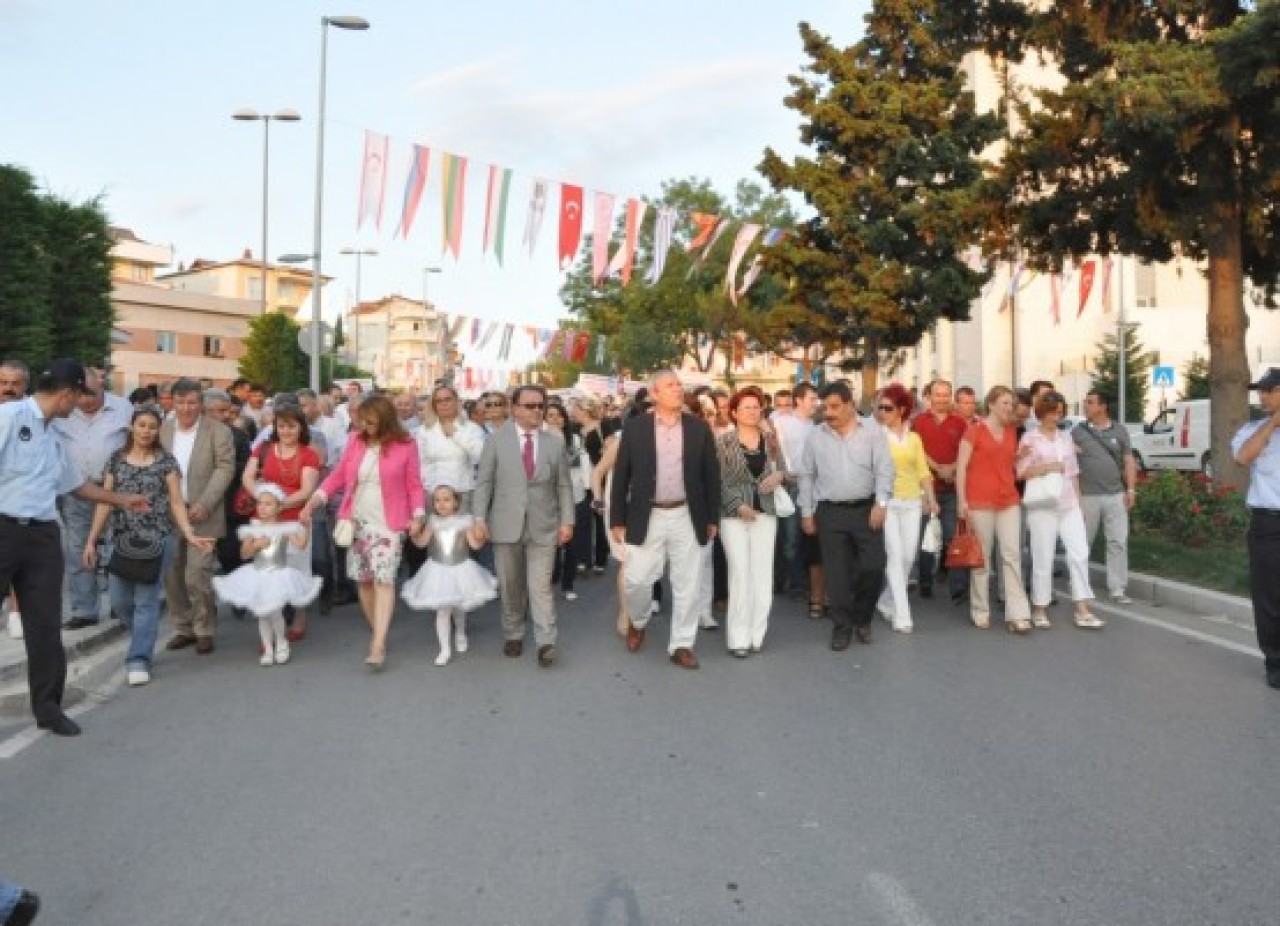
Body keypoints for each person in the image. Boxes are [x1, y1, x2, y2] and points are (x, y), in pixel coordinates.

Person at [0, 360, 149, 735]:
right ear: (67, 395)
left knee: (45, 627)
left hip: (43, 535)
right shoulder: (10, 416)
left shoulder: (53, 435)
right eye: (79, 396)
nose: (80, 404)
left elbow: (76, 485)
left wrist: (121, 499)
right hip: (3, 529)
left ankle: (49, 709)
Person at [83, 406, 213, 686]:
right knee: (119, 601)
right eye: (141, 425)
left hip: (157, 540)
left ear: (158, 431)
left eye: (152, 426)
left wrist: (188, 533)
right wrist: (92, 539)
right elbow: (105, 500)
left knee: (145, 599)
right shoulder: (116, 461)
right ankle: (143, 638)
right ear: (132, 427)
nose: (146, 431)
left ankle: (138, 658)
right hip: (120, 540)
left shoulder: (166, 462)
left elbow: (177, 501)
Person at [302, 395, 425, 669]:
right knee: (365, 581)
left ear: (383, 419)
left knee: (384, 580)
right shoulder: (355, 442)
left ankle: (378, 643)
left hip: (389, 524)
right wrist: (316, 498)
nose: (364, 425)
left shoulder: (406, 445)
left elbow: (415, 485)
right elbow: (337, 476)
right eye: (361, 421)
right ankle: (377, 627)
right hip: (357, 521)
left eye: (369, 421)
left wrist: (417, 516)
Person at [610, 370, 721, 669]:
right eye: (670, 385)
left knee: (688, 583)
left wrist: (712, 517)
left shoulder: (699, 428)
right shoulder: (635, 428)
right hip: (647, 515)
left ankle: (681, 644)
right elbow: (621, 476)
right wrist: (616, 518)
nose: (677, 388)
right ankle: (638, 620)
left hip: (687, 513)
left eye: (678, 384)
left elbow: (712, 476)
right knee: (636, 580)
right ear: (654, 394)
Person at [472, 385, 575, 668]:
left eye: (540, 406)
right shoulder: (496, 441)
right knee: (510, 585)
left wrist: (568, 520)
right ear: (514, 409)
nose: (537, 411)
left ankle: (546, 642)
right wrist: (479, 518)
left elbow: (564, 485)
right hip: (505, 524)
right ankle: (513, 632)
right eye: (529, 406)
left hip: (544, 525)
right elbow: (485, 483)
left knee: (540, 586)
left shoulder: (554, 442)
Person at [798, 381, 893, 650]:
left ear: (850, 406)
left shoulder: (873, 434)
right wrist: (807, 513)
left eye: (835, 407)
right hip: (830, 512)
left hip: (867, 510)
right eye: (825, 407)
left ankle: (862, 618)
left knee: (874, 566)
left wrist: (881, 503)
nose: (829, 412)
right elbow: (807, 476)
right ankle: (842, 626)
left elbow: (885, 470)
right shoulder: (816, 436)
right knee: (836, 574)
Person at [160, 378, 235, 655]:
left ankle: (204, 628)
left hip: (204, 512)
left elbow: (225, 468)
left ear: (200, 403)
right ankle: (183, 627)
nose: (186, 408)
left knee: (197, 574)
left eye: (192, 402)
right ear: (172, 403)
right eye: (181, 402)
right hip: (170, 514)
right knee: (173, 573)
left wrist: (206, 502)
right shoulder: (164, 431)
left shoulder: (218, 431)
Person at [53, 366, 132, 630]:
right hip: (75, 490)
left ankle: (121, 606)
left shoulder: (123, 408)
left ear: (102, 386)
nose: (85, 400)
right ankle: (84, 609)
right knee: (77, 549)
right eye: (80, 395)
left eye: (91, 394)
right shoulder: (62, 412)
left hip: (114, 489)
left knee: (118, 547)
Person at [1017, 390, 1101, 629]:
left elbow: (1073, 473)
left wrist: (1079, 503)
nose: (1057, 417)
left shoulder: (1066, 438)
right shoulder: (1029, 439)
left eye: (1060, 412)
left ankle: (1083, 608)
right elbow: (1021, 472)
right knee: (1043, 556)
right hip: (1043, 505)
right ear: (1042, 413)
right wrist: (1048, 467)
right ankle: (1039, 608)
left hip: (1068, 503)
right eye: (1054, 412)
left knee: (1080, 553)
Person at [213, 484, 321, 666]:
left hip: (278, 574)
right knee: (262, 614)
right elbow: (244, 554)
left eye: (268, 504)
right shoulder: (252, 530)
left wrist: (307, 527)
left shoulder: (285, 529)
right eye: (260, 503)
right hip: (258, 574)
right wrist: (256, 545)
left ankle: (281, 642)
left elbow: (301, 545)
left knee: (276, 611)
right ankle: (268, 649)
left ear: (279, 507)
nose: (262, 507)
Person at [715, 387, 787, 657]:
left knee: (762, 574)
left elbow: (783, 468)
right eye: (746, 407)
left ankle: (758, 633)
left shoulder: (770, 439)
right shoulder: (723, 442)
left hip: (766, 513)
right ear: (733, 412)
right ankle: (738, 637)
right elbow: (716, 479)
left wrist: (778, 476)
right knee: (740, 573)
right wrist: (738, 505)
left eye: (756, 407)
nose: (752, 411)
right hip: (734, 516)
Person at [955, 386, 1033, 632]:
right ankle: (980, 609)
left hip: (1008, 499)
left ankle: (1017, 613)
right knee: (982, 558)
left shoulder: (1012, 431)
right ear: (990, 405)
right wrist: (961, 501)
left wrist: (1019, 457)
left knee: (1011, 555)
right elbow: (961, 468)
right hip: (979, 500)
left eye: (1011, 403)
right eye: (1004, 403)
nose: (1009, 408)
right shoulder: (974, 431)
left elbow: (1005, 461)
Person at [241, 404, 321, 641]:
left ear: (301, 428)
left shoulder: (308, 454)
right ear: (275, 427)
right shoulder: (263, 449)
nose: (286, 431)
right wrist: (261, 499)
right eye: (282, 426)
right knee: (267, 569)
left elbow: (307, 490)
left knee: (297, 569)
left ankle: (299, 615)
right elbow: (247, 476)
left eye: (292, 426)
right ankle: (272, 628)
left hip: (294, 520)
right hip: (265, 520)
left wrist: (277, 504)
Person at [401, 484, 498, 666]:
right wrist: (414, 534)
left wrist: (481, 536)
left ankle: (460, 632)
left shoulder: (465, 522)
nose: (441, 504)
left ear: (456, 502)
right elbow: (422, 543)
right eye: (437, 500)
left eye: (446, 500)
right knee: (443, 610)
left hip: (461, 568)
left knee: (459, 607)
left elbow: (474, 546)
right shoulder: (432, 522)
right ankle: (444, 649)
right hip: (437, 570)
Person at [873, 384, 939, 633]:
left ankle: (886, 600)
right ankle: (902, 614)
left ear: (901, 410)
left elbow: (923, 472)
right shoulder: (877, 437)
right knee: (894, 555)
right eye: (880, 408)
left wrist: (931, 499)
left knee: (908, 557)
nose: (882, 412)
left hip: (913, 502)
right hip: (888, 502)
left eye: (888, 408)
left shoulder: (914, 439)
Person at [1231, 367, 1280, 690]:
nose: (1261, 395)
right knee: (1268, 597)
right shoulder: (1253, 430)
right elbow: (1243, 458)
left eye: (1268, 390)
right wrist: (1273, 423)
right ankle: (1275, 662)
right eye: (1260, 391)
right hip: (1269, 524)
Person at [1074, 388, 1137, 604]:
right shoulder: (1078, 432)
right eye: (1085, 402)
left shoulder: (1120, 431)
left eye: (1090, 402)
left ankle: (1117, 588)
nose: (1085, 406)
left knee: (1118, 541)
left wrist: (1131, 489)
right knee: (1083, 543)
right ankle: (1080, 586)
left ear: (1102, 407)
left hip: (1115, 495)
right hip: (1087, 497)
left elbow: (1129, 461)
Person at [912, 379, 971, 606]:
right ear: (930, 396)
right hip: (927, 490)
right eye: (938, 395)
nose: (942, 399)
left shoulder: (960, 422)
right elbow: (917, 451)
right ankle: (925, 582)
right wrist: (938, 468)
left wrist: (953, 468)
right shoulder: (918, 422)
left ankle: (958, 588)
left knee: (952, 537)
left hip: (953, 489)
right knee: (926, 538)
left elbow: (967, 451)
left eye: (946, 395)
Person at [415, 384, 485, 512]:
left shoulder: (471, 428)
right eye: (439, 401)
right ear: (434, 405)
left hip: (461, 493)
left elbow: (480, 456)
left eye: (448, 399)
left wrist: (456, 434)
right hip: (432, 494)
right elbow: (420, 463)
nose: (444, 404)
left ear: (457, 402)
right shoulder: (424, 431)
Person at [545, 401, 589, 601]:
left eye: (559, 415)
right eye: (551, 415)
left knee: (571, 543)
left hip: (574, 497)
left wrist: (589, 492)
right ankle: (551, 580)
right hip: (549, 500)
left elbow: (583, 469)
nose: (555, 419)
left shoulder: (576, 441)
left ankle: (568, 584)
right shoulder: (540, 441)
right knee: (551, 544)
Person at [1, 359, 29, 641]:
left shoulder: (32, 416)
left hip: (18, 500)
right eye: (3, 382)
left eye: (15, 383)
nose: (8, 388)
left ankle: (16, 614)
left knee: (17, 562)